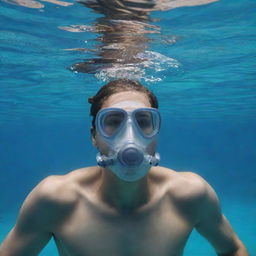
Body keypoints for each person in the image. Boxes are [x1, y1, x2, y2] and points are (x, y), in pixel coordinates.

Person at [0, 79, 248, 256]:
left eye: (143, 121)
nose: (130, 136)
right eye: (113, 122)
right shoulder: (55, 199)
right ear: (94, 136)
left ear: (156, 133)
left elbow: (232, 249)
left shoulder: (189, 194)